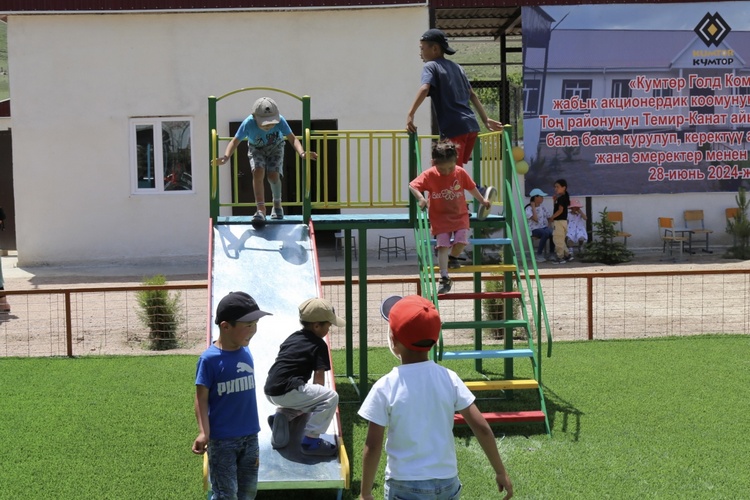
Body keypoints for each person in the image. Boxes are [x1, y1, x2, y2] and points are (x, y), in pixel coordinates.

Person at [358, 295, 514, 500]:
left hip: (404, 484)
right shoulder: (450, 378)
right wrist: (500, 471)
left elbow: (373, 446)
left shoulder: (385, 386)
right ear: (435, 340)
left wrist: (365, 493)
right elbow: (482, 428)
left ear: (393, 341)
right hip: (447, 483)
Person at [192, 291, 273, 500]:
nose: (253, 330)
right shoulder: (209, 360)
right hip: (223, 441)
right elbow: (200, 399)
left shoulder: (246, 352)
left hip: (250, 436)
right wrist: (203, 432)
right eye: (248, 325)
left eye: (255, 324)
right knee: (226, 494)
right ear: (226, 326)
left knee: (248, 492)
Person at [406, 29, 504, 167]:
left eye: (422, 48)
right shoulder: (458, 67)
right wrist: (485, 119)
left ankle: (470, 184)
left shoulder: (430, 66)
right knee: (451, 168)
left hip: (454, 127)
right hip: (471, 126)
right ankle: (466, 182)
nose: (420, 53)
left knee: (448, 170)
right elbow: (472, 94)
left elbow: (424, 88)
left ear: (435, 48)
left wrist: (410, 114)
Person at [213, 97, 318, 222]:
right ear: (255, 117)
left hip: (276, 148)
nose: (269, 126)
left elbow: (292, 138)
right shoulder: (248, 123)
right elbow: (234, 141)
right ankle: (260, 209)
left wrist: (302, 153)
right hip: (256, 149)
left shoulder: (281, 121)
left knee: (273, 176)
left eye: (271, 122)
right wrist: (225, 157)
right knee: (258, 171)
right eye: (264, 123)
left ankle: (277, 205)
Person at [264, 297, 344, 456]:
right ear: (317, 325)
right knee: (330, 397)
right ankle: (311, 442)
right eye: (328, 325)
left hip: (271, 390)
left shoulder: (292, 337)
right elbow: (319, 377)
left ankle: (282, 416)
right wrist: (317, 404)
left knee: (303, 397)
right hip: (289, 390)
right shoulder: (319, 345)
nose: (329, 329)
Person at [408, 141, 491, 294]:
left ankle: (452, 258)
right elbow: (413, 185)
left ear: (455, 161)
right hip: (439, 217)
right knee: (443, 246)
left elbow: (471, 188)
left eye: (450, 168)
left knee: (461, 241)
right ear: (434, 163)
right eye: (442, 169)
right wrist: (421, 198)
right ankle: (444, 277)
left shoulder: (460, 172)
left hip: (459, 215)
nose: (446, 172)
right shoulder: (429, 174)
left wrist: (482, 200)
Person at [525, 188, 554, 262]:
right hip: (534, 229)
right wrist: (533, 207)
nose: (542, 198)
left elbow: (549, 218)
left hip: (543, 228)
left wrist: (549, 226)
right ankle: (539, 254)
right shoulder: (528, 209)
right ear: (535, 197)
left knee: (552, 233)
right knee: (545, 233)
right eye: (541, 196)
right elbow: (535, 219)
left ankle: (551, 253)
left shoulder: (543, 207)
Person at [551, 179, 573, 264]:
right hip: (563, 221)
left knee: (557, 240)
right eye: (555, 187)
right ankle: (567, 255)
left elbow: (560, 210)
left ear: (564, 187)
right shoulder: (564, 197)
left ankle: (560, 257)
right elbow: (558, 208)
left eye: (557, 187)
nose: (556, 189)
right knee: (561, 239)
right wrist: (554, 201)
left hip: (559, 221)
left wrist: (552, 217)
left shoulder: (561, 198)